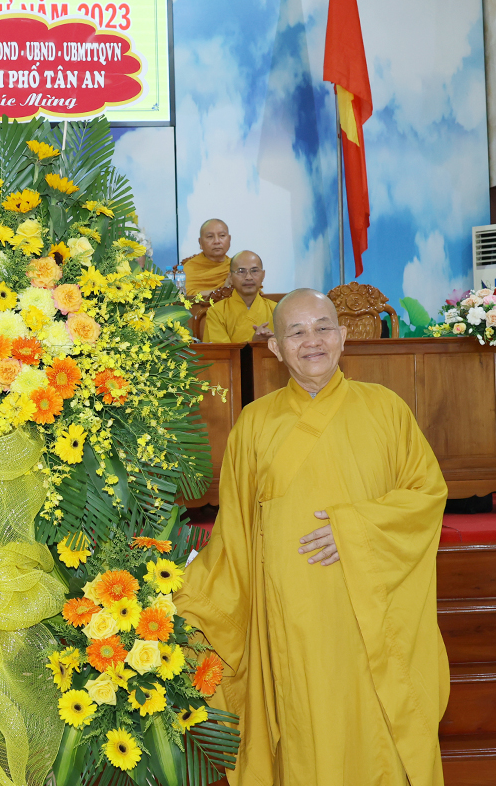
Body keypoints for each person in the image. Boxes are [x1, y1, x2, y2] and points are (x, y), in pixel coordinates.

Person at [176, 289, 448, 786]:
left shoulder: (386, 409)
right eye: (296, 332)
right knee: (305, 728)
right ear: (275, 348)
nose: (312, 341)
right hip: (292, 618)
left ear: (343, 336)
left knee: (373, 730)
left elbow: (426, 495)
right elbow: (234, 534)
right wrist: (187, 603)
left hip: (368, 613)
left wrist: (355, 529)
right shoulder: (254, 424)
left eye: (323, 327)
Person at [202, 250, 277, 342]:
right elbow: (220, 350)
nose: (248, 277)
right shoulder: (216, 312)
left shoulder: (276, 310)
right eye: (241, 271)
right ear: (230, 278)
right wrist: (253, 343)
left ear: (263, 275)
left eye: (254, 271)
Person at [184, 219, 233, 296]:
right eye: (210, 236)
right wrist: (223, 290)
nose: (217, 241)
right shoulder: (190, 268)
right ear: (200, 242)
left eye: (222, 236)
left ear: (229, 239)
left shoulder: (236, 266)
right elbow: (185, 294)